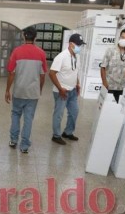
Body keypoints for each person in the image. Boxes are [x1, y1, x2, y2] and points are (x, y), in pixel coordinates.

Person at [5, 26, 48, 154]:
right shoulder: (41, 53)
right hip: (32, 93)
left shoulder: (16, 52)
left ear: (24, 36)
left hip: (19, 91)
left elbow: (11, 73)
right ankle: (24, 146)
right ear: (35, 37)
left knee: (15, 115)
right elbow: (42, 75)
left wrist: (7, 90)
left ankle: (13, 141)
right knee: (28, 118)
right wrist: (39, 89)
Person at [49, 33, 85, 145]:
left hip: (73, 90)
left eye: (81, 45)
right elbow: (51, 73)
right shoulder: (61, 57)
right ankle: (56, 135)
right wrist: (60, 88)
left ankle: (68, 132)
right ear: (70, 44)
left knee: (74, 111)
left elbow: (76, 71)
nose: (80, 47)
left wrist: (77, 84)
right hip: (62, 91)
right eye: (78, 45)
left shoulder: (77, 56)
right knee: (59, 113)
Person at [100, 28, 125, 103]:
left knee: (117, 109)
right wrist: (104, 82)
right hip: (109, 85)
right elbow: (103, 67)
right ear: (119, 37)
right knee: (106, 109)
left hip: (121, 87)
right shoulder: (110, 49)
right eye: (122, 37)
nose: (124, 39)